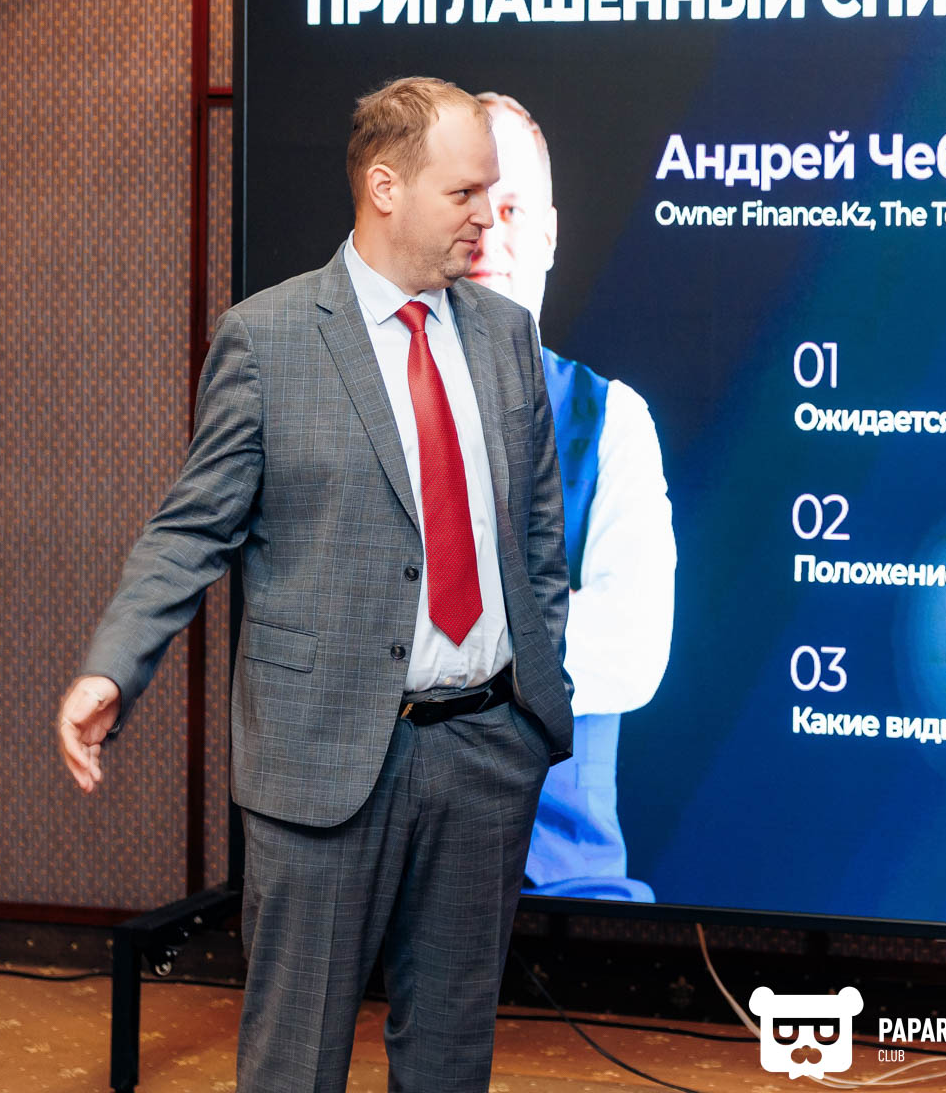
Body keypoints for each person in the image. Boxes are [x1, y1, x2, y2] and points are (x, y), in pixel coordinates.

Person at [56, 76, 575, 1091]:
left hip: (486, 755)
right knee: (295, 1060)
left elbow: (539, 540)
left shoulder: (507, 335)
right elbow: (189, 529)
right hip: (327, 758)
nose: (486, 215)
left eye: (494, 192)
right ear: (385, 187)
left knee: (452, 1055)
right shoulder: (270, 339)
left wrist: (532, 709)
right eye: (465, 192)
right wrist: (114, 666)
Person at [471, 91, 677, 902]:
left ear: (549, 235)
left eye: (512, 209)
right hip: (391, 879)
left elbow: (631, 649)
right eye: (466, 204)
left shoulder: (613, 420)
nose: (489, 234)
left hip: (564, 885)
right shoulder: (363, 406)